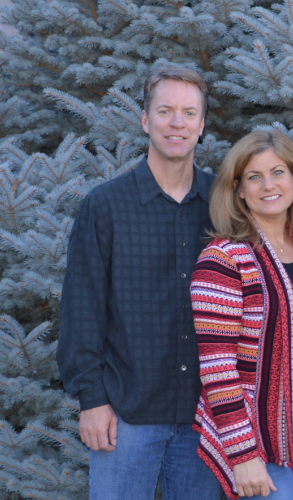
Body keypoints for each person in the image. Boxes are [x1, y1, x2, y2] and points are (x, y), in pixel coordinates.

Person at [56, 65, 222, 500]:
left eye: (189, 113)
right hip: (126, 416)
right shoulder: (106, 206)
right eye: (165, 110)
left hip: (206, 420)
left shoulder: (223, 206)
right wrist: (92, 400)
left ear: (202, 125)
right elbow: (81, 309)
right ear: (145, 119)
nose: (177, 123)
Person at [191, 130, 293, 500]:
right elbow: (217, 369)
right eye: (254, 176)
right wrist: (242, 455)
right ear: (239, 189)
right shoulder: (224, 259)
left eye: (278, 172)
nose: (268, 185)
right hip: (256, 432)